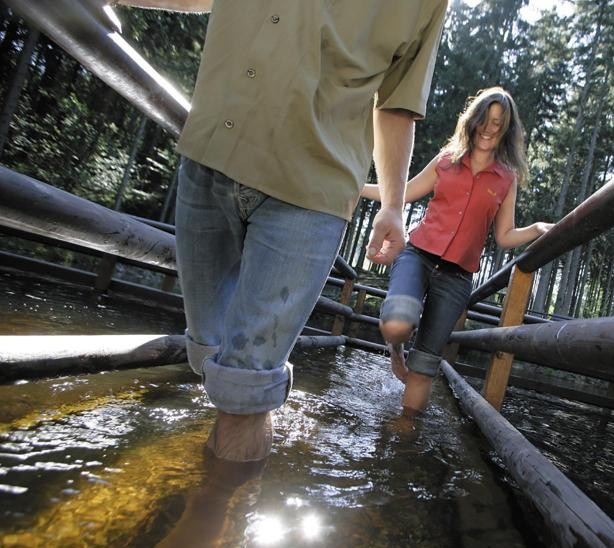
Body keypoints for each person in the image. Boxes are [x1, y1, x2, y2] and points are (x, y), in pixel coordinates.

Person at [114, 0, 449, 463]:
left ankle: (212, 520)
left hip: (312, 190)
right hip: (213, 152)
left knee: (247, 380)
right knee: (207, 348)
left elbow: (396, 103)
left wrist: (393, 205)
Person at [361, 87, 553, 417]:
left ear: (506, 130)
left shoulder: (506, 179)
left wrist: (536, 230)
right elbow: (401, 194)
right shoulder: (447, 160)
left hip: (457, 278)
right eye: (486, 119)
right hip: (417, 256)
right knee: (396, 325)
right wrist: (354, 188)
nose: (490, 128)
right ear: (474, 120)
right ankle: (395, 349)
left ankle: (404, 438)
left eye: (499, 123)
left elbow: (505, 236)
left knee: (423, 368)